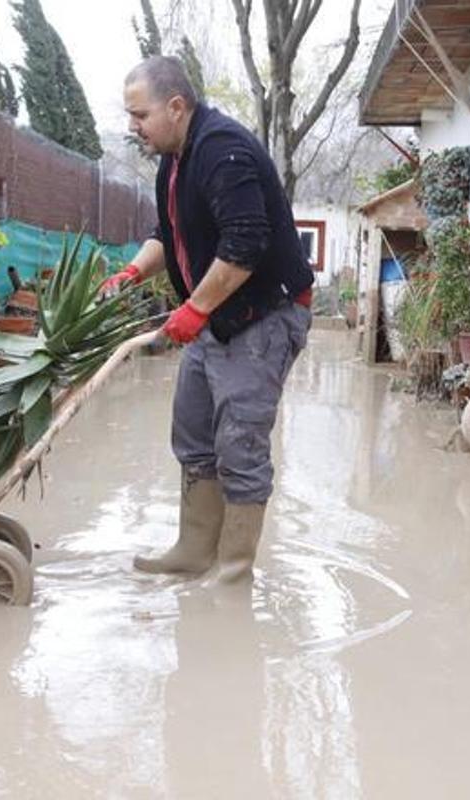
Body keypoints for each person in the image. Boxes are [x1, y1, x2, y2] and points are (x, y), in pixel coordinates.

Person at [104, 55, 314, 584]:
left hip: (263, 314)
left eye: (140, 115)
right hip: (215, 315)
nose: (134, 127)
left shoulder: (223, 151)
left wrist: (194, 309)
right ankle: (195, 550)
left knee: (240, 442)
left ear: (176, 107)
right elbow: (165, 232)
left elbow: (245, 244)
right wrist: (132, 272)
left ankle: (234, 571)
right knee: (194, 432)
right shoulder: (173, 161)